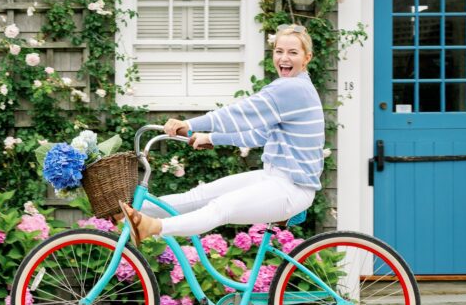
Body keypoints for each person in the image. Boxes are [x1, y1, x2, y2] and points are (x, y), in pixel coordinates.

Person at [119, 24, 324, 242]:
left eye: (293, 52)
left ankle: (153, 227)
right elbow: (259, 136)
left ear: (306, 58)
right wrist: (211, 138)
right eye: (279, 51)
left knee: (221, 208)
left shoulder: (292, 89)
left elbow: (237, 115)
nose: (284, 58)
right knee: (198, 196)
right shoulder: (291, 87)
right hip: (273, 177)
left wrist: (189, 124)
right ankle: (127, 215)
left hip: (291, 188)